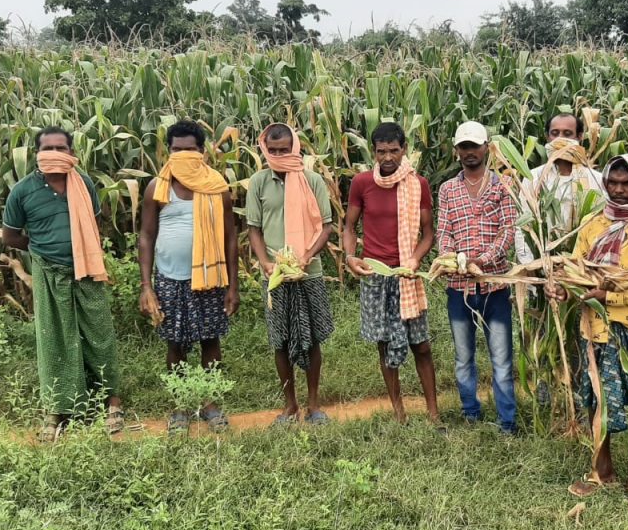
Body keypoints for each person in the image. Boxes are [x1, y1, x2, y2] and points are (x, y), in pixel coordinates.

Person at [547, 154, 628, 512]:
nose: (618, 190)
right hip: (594, 328)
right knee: (595, 397)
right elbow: (578, 273)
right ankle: (602, 469)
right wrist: (564, 290)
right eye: (612, 183)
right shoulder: (592, 224)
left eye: (626, 183)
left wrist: (611, 295)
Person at [2, 126, 122, 442]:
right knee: (55, 337)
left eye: (61, 148)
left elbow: (94, 225)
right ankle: (59, 410)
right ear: (38, 155)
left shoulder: (82, 184)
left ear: (71, 153)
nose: (55, 154)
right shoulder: (23, 191)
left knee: (99, 333)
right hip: (48, 271)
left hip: (87, 270)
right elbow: (11, 236)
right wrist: (42, 247)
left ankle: (111, 402)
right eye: (48, 149)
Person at [138, 120, 240, 434]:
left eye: (190, 149)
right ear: (168, 151)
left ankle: (210, 403)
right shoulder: (158, 187)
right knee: (175, 343)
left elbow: (230, 237)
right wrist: (146, 286)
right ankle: (180, 405)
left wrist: (233, 286)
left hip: (210, 278)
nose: (183, 155)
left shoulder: (216, 186)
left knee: (210, 340)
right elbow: (145, 236)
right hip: (170, 278)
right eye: (176, 150)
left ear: (202, 151)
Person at [343, 122, 440, 424]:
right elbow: (348, 227)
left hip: (406, 275)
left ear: (404, 149)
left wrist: (414, 259)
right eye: (381, 151)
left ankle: (434, 413)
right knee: (384, 345)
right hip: (375, 275)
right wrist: (349, 257)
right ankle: (399, 413)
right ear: (373, 151)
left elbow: (428, 235)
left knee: (421, 345)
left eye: (394, 151)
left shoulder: (417, 184)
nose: (387, 158)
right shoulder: (361, 183)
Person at [246, 123, 334, 425]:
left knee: (312, 338)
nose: (280, 155)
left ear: (295, 147)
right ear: (265, 150)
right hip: (275, 275)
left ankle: (313, 404)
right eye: (273, 151)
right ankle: (290, 405)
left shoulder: (312, 180)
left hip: (308, 273)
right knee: (280, 340)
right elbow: (253, 229)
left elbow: (326, 226)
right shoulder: (258, 182)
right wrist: (266, 263)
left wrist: (307, 257)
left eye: (285, 149)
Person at [437, 120, 518, 434]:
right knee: (463, 355)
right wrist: (452, 259)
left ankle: (507, 421)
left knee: (501, 358)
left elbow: (508, 231)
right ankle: (471, 412)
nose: (470, 152)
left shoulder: (502, 185)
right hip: (459, 288)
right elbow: (444, 232)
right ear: (456, 150)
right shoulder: (447, 189)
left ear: (487, 147)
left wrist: (480, 261)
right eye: (464, 147)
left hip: (495, 286)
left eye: (475, 146)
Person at [514, 112, 605, 265]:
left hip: (584, 267)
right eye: (555, 133)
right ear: (547, 137)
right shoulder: (534, 178)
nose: (560, 139)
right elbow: (523, 225)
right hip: (542, 263)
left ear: (579, 137)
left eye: (567, 134)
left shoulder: (596, 179)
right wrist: (530, 265)